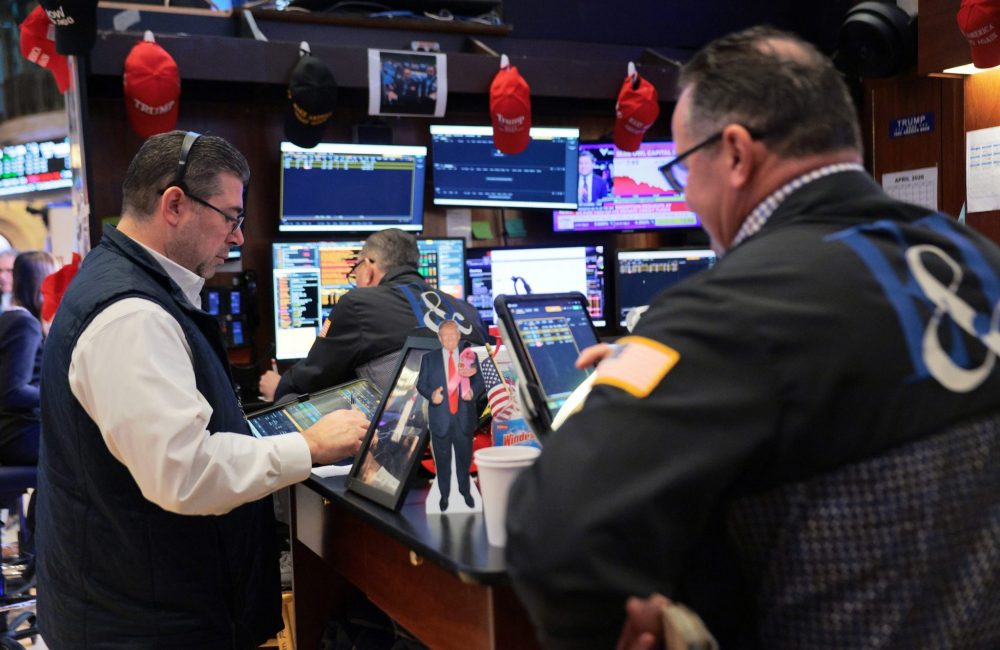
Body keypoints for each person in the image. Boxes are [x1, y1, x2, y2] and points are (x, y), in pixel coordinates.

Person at [505, 26, 1000, 649]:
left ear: (736, 153)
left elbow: (549, 531)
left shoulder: (729, 313)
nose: (687, 194)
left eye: (683, 168)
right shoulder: (982, 262)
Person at [37, 131, 370, 648]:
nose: (238, 237)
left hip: (142, 606)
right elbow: (184, 473)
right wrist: (308, 445)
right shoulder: (131, 315)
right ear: (174, 205)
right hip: (141, 626)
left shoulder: (134, 286)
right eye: (231, 218)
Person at [260, 228, 486, 402]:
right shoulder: (468, 311)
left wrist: (279, 388)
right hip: (463, 433)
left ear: (368, 267)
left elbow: (313, 377)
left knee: (288, 401)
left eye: (355, 269)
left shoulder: (357, 304)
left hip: (394, 438)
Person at [416, 319, 485, 511]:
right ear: (439, 338)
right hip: (440, 420)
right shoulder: (429, 359)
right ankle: (444, 495)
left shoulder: (469, 357)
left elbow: (480, 381)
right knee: (442, 461)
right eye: (445, 336)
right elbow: (420, 384)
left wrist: (472, 392)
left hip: (463, 418)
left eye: (453, 335)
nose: (449, 339)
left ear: (459, 336)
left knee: (464, 459)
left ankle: (465, 492)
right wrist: (432, 395)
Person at [0, 251, 55, 466]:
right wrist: (57, 395)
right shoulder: (25, 323)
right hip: (20, 434)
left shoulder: (10, 318)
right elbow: (13, 392)